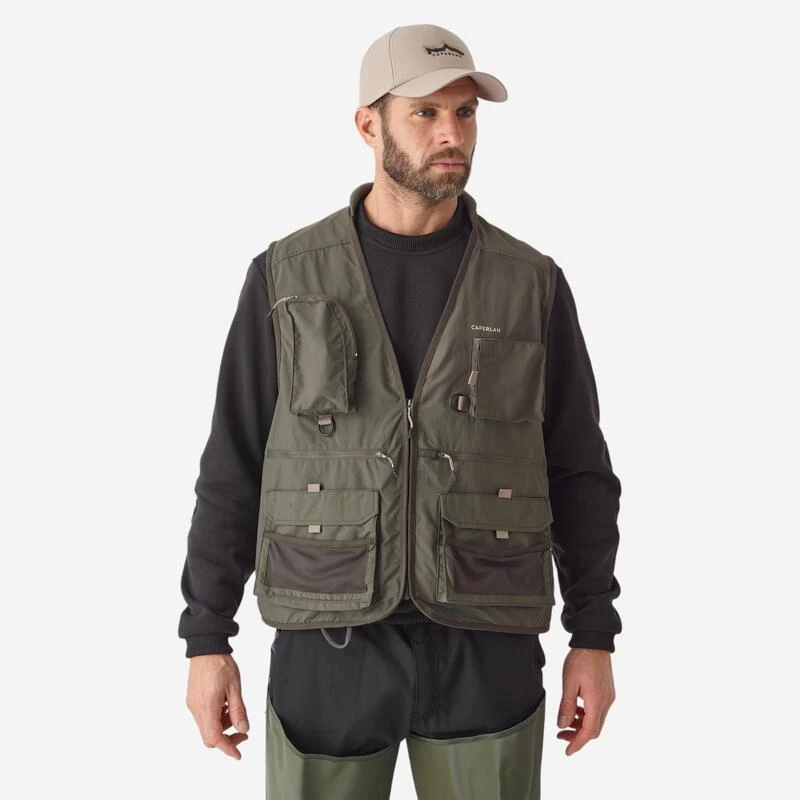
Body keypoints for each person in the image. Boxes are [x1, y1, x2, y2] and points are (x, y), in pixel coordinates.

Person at [179, 23, 622, 800]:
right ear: (367, 125)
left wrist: (594, 633)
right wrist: (206, 637)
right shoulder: (286, 277)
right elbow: (234, 465)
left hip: (486, 634)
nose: (452, 134)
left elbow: (579, 470)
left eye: (465, 112)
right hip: (329, 635)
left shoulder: (530, 283)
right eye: (425, 112)